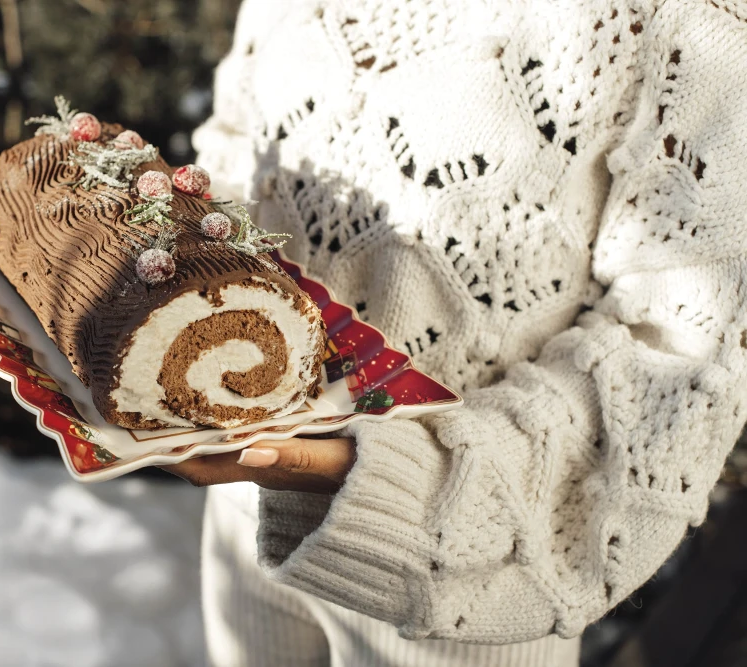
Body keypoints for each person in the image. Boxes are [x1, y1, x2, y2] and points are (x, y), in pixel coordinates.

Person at [161, 0, 747, 665]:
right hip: (243, 511)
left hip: (452, 589)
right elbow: (239, 139)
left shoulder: (688, 19)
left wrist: (388, 485)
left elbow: (674, 357)